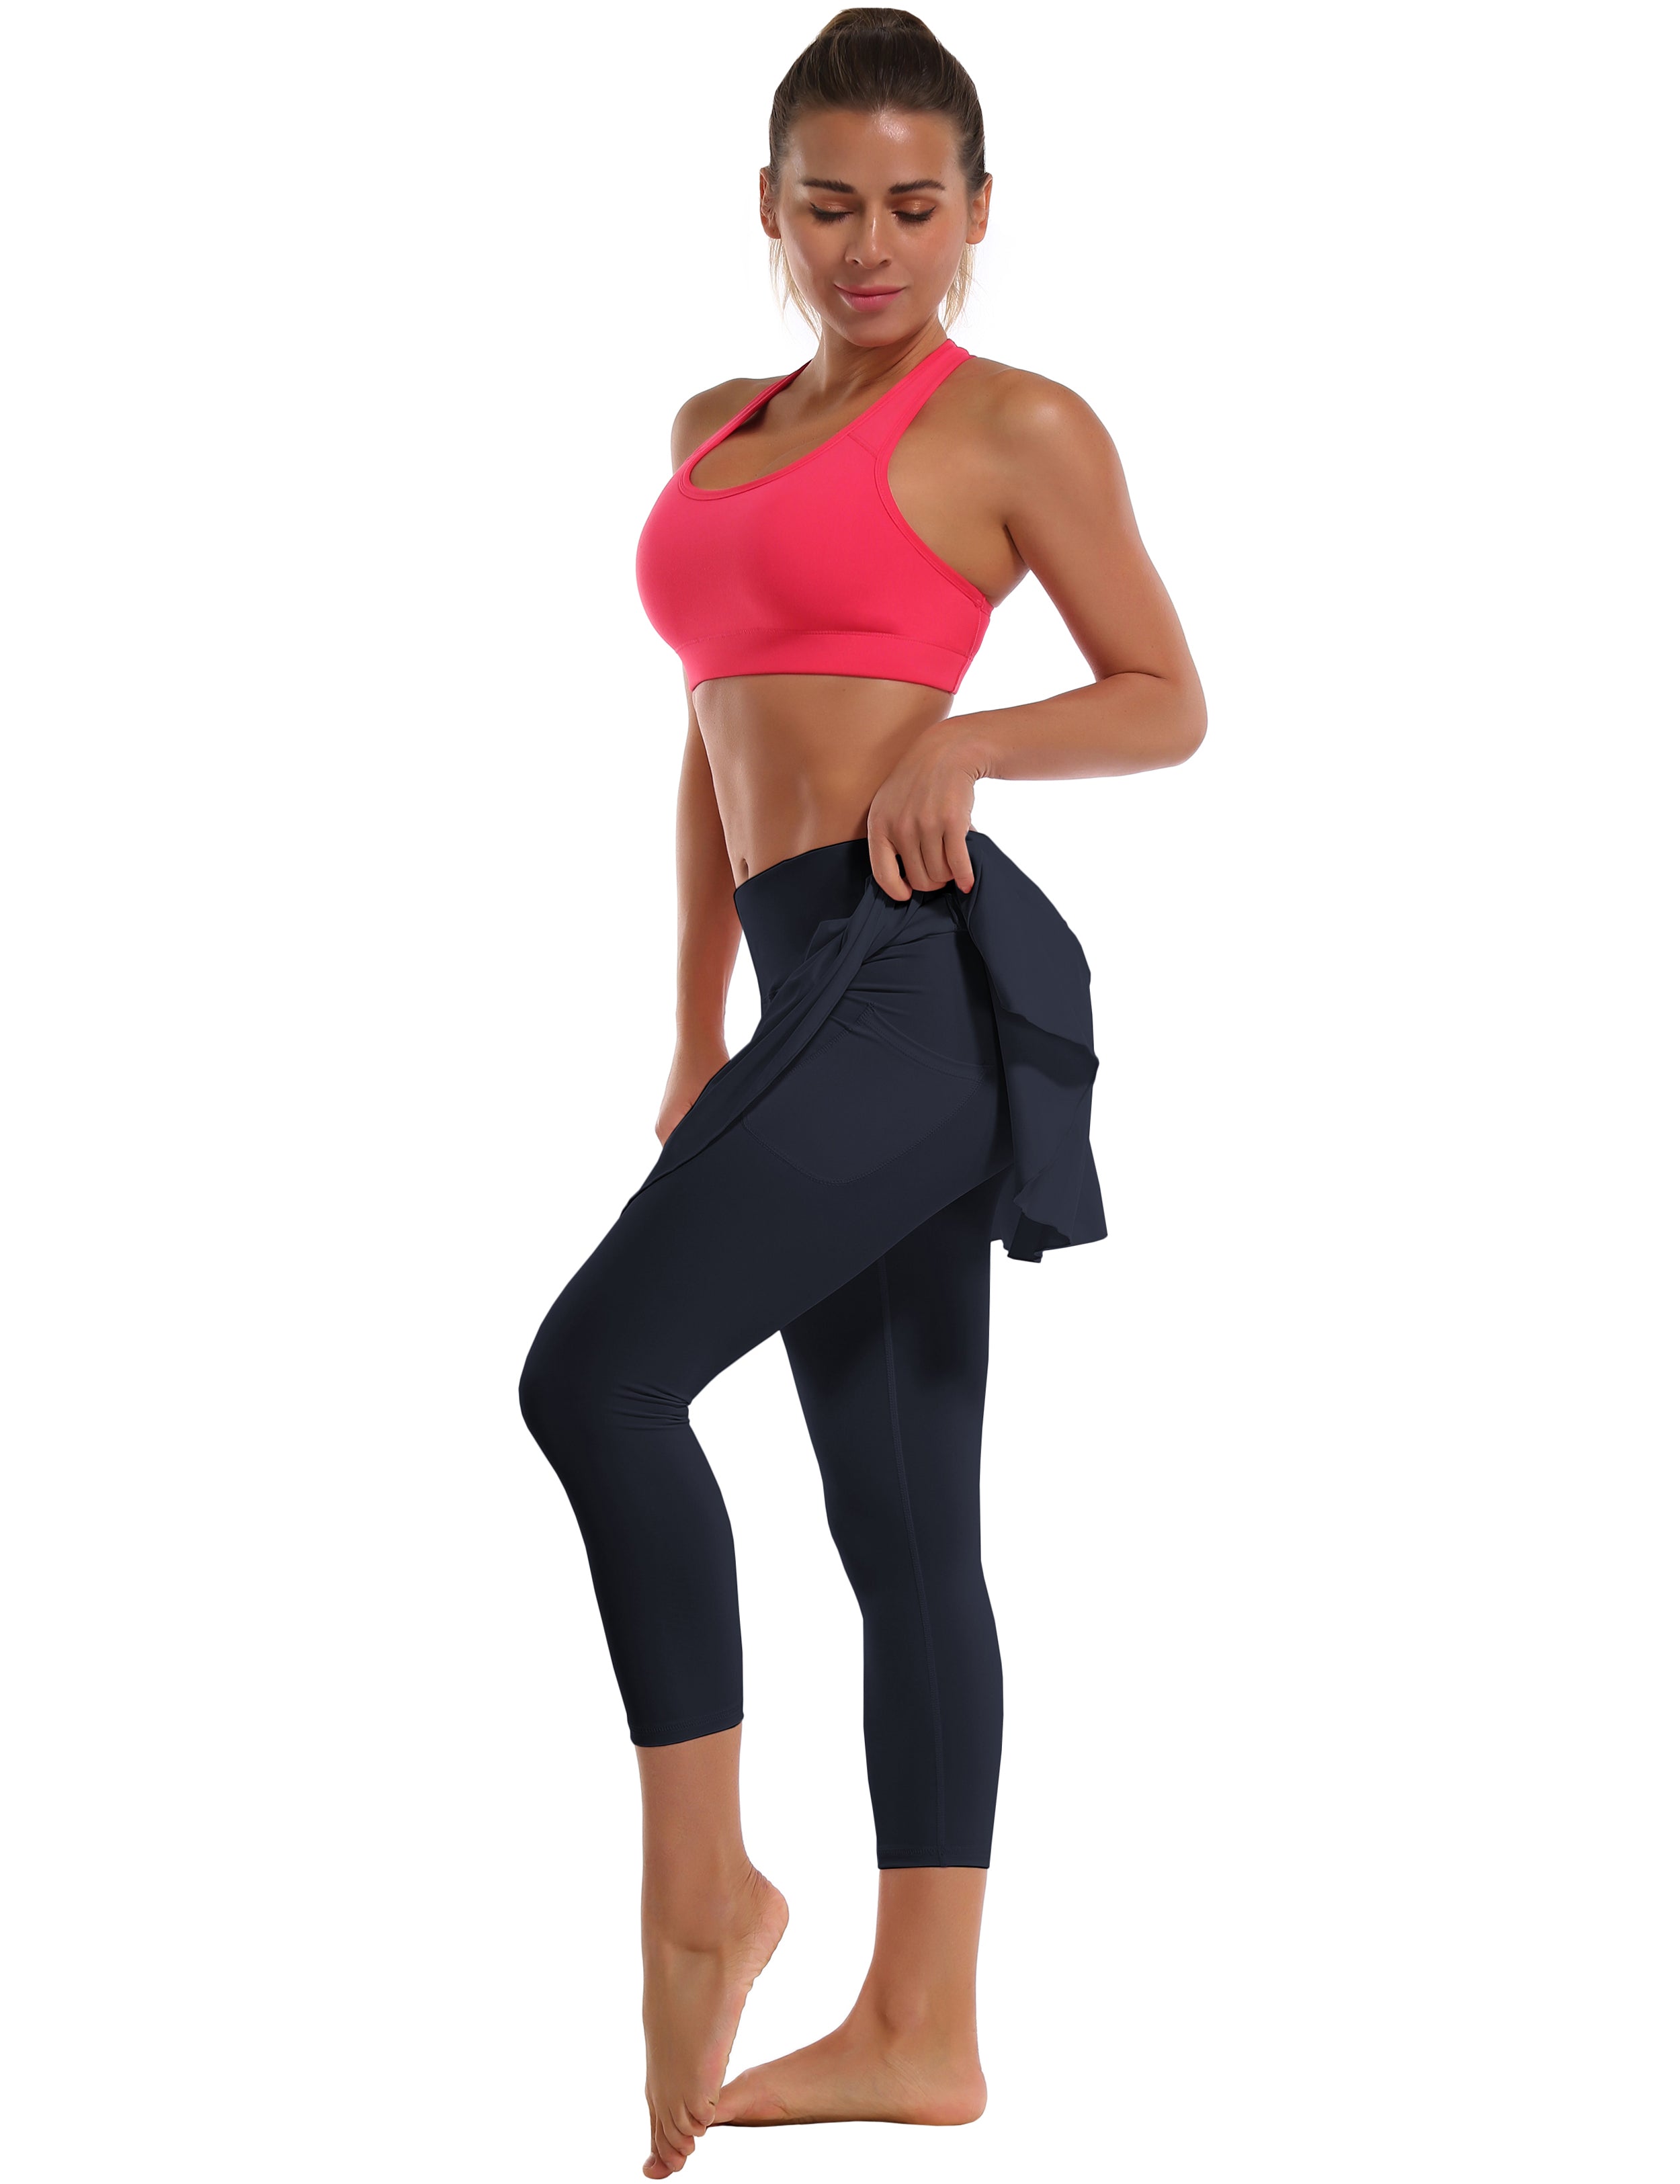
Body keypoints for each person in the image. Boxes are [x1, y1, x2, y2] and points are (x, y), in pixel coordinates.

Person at [517, 9, 1205, 2174]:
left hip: (919, 987)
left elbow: (1166, 696)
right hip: (807, 992)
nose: (871, 245)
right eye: (830, 206)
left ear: (977, 211)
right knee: (901, 1521)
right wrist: (692, 1021)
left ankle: (700, 1891)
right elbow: (708, 735)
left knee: (593, 1380)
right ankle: (922, 2025)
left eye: (915, 205)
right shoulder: (712, 430)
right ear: (769, 206)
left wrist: (970, 741)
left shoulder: (1013, 422)